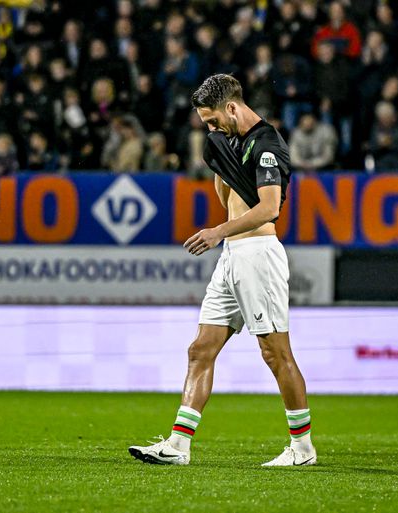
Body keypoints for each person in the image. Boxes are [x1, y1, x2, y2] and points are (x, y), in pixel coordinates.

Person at [129, 74, 316, 467]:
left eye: (213, 121)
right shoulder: (224, 141)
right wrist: (225, 232)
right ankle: (179, 445)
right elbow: (224, 185)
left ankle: (302, 449)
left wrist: (218, 231)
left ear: (232, 107)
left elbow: (269, 208)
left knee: (275, 353)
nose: (209, 129)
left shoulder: (267, 145)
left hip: (258, 255)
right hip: (232, 255)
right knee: (200, 349)